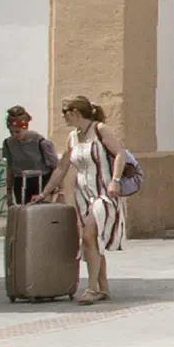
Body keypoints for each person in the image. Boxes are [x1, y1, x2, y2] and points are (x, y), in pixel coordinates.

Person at [37, 95, 126, 304]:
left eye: (65, 114)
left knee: (88, 236)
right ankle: (103, 287)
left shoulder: (100, 129)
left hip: (104, 192)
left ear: (75, 113)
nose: (64, 118)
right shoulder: (72, 137)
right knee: (92, 239)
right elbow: (62, 167)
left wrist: (116, 180)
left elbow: (120, 153)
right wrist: (44, 192)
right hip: (82, 195)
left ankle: (92, 288)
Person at [2, 105, 57, 206]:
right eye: (11, 132)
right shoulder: (8, 143)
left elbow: (56, 168)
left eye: (17, 131)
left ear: (25, 127)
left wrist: (53, 192)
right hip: (20, 181)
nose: (14, 135)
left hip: (41, 181)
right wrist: (8, 192)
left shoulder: (41, 142)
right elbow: (9, 167)